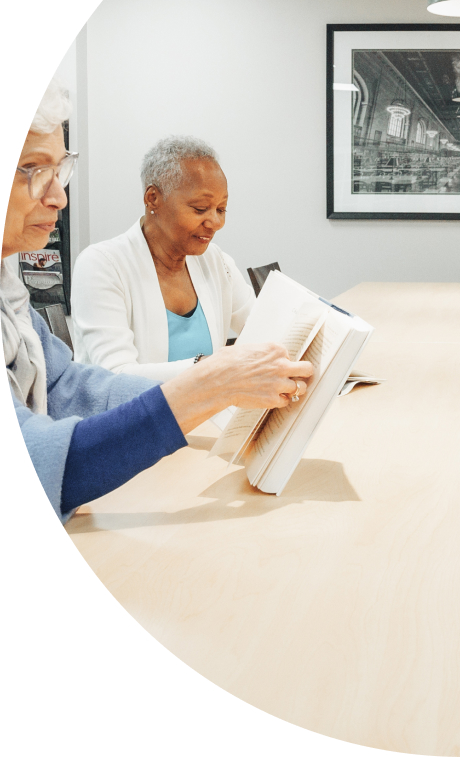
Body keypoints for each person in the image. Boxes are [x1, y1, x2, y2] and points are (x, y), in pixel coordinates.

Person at [5, 79, 313, 523]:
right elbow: (36, 466)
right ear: (153, 199)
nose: (59, 197)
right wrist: (210, 381)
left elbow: (68, 387)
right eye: (34, 169)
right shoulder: (104, 263)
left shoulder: (10, 297)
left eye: (60, 171)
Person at [71, 136, 254, 380]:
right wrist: (213, 368)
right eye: (200, 209)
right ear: (152, 198)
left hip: (204, 415)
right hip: (132, 417)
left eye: (221, 209)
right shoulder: (101, 265)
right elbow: (117, 376)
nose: (215, 223)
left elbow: (261, 324)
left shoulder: (216, 261)